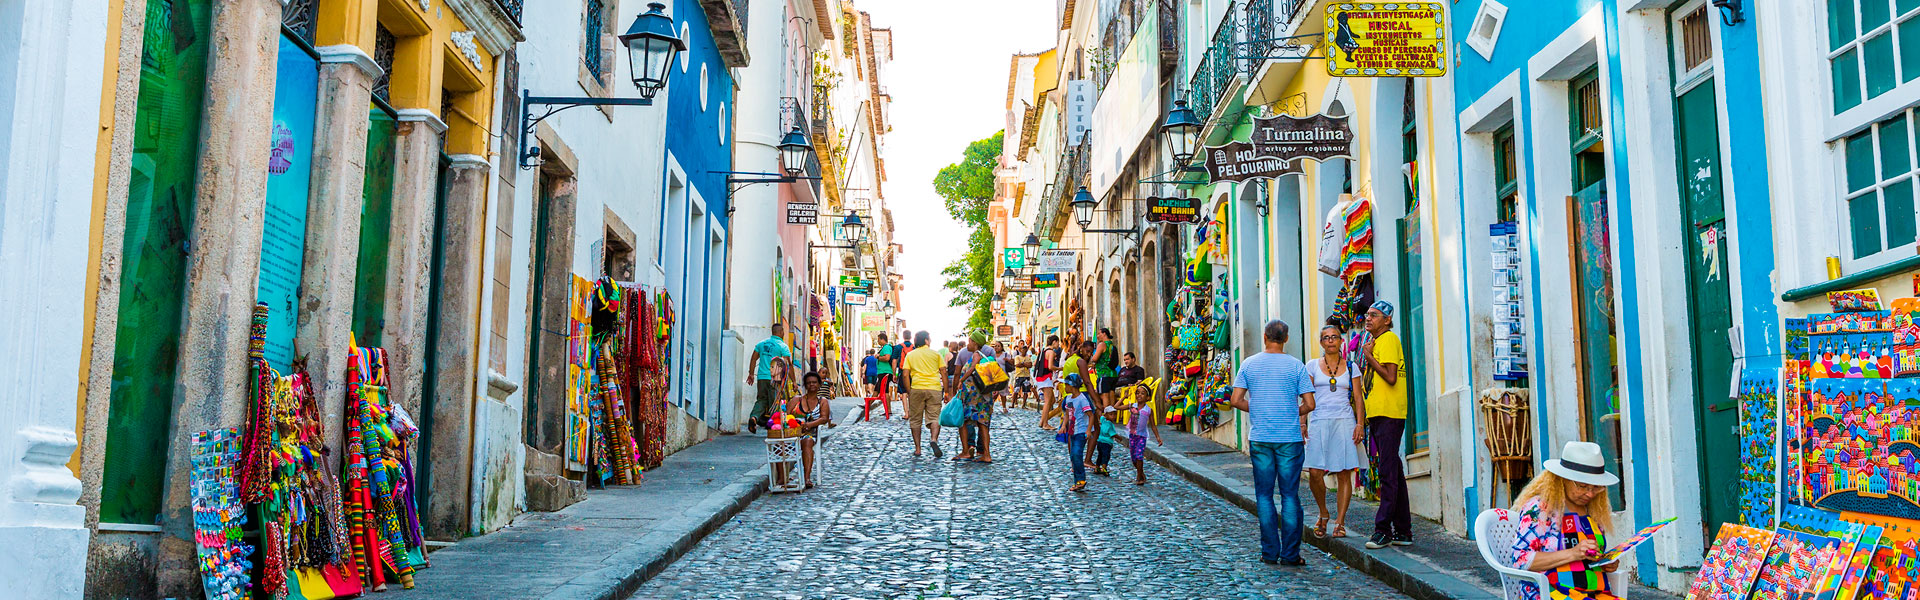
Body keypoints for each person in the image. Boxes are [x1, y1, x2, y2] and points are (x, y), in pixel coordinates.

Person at [1219, 320, 1316, 566]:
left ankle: (1269, 552)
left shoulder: (1249, 364)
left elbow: (1235, 399)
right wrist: (1294, 412)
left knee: (1264, 495)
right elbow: (1310, 404)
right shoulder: (1296, 366)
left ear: (1264, 337)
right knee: (1290, 496)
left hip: (1261, 437)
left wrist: (1259, 408)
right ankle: (1291, 554)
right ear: (1286, 339)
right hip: (1289, 439)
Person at [1509, 442, 1621, 600]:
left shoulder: (1593, 510)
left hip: (1591, 592)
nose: (1590, 494)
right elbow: (1520, 560)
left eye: (1596, 487)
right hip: (1548, 592)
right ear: (1561, 479)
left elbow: (1587, 558)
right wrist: (1573, 553)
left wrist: (1603, 563)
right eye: (1582, 486)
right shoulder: (1540, 508)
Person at [1360, 300, 1413, 550]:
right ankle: (1403, 530)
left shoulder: (1389, 340)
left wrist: (1368, 356)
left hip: (1389, 413)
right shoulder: (1378, 342)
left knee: (1387, 472)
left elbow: (1391, 377)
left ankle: (1383, 530)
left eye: (1374, 315)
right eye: (1367, 315)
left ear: (1387, 320)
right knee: (1394, 470)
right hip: (1379, 413)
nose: (1368, 318)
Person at [1305, 322, 1365, 539]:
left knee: (1344, 472)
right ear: (1321, 343)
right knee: (1314, 472)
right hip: (1319, 421)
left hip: (1344, 421)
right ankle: (1323, 512)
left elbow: (1358, 398)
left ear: (1341, 341)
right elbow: (1305, 396)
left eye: (1335, 337)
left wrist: (1360, 424)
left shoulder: (1352, 367)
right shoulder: (1311, 366)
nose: (1331, 340)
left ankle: (1340, 522)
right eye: (1326, 337)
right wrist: (1303, 422)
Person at [948, 336, 995, 464]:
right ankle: (986, 454)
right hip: (982, 396)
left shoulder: (976, 354)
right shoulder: (981, 355)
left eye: (969, 341)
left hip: (973, 397)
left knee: (962, 421)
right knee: (982, 424)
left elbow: (973, 367)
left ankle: (966, 452)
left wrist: (962, 380)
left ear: (974, 342)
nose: (967, 344)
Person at [902, 331, 947, 458]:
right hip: (934, 388)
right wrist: (947, 391)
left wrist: (909, 390)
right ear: (927, 341)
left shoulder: (910, 355)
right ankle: (933, 439)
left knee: (915, 419)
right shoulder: (936, 354)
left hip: (916, 387)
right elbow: (943, 372)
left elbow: (905, 374)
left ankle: (918, 448)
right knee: (934, 417)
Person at [747, 323, 798, 433]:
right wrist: (794, 381)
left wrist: (751, 374)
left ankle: (754, 417)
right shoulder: (782, 346)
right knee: (776, 402)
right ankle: (774, 428)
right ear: (781, 332)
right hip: (776, 379)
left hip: (761, 378)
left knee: (761, 400)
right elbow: (788, 364)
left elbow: (753, 359)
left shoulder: (761, 344)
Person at [1056, 373, 1097, 493]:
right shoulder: (1068, 399)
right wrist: (1064, 426)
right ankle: (1077, 481)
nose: (1064, 387)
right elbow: (1068, 415)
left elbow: (1090, 415)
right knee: (1073, 456)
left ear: (1072, 386)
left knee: (1076, 454)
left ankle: (1081, 480)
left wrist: (1089, 430)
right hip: (1072, 431)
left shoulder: (1082, 399)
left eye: (1066, 385)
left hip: (1081, 432)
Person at [794, 372, 835, 489]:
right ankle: (781, 479)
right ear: (805, 385)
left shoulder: (823, 401)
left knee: (807, 442)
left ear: (819, 384)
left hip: (810, 433)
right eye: (809, 383)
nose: (812, 385)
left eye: (814, 382)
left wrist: (810, 424)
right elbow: (785, 414)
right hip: (794, 432)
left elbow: (824, 418)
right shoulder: (797, 400)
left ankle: (807, 478)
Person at [1124, 379, 1162, 485]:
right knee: (1133, 458)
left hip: (1142, 436)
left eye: (1142, 393)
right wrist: (1124, 397)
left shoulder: (1149, 410)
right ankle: (1141, 473)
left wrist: (1158, 438)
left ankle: (1139, 477)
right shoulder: (1132, 406)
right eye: (1137, 393)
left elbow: (1153, 426)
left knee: (1139, 455)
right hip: (1132, 435)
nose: (1139, 395)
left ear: (1148, 397)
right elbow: (1117, 407)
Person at [1035, 336, 1063, 429]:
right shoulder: (1050, 352)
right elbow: (1050, 366)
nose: (1058, 345)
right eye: (1058, 342)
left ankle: (1042, 421)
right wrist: (1060, 368)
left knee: (1052, 400)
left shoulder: (1043, 351)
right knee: (1048, 401)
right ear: (1054, 342)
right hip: (1045, 377)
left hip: (1041, 377)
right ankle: (1045, 424)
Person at [1092, 327, 1120, 410]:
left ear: (1104, 334)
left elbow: (1095, 358)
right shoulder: (1112, 345)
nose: (1097, 336)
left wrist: (1092, 358)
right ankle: (1112, 414)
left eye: (1099, 334)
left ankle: (1107, 414)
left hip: (1104, 374)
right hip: (1113, 374)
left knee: (1104, 395)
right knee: (1111, 393)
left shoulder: (1102, 345)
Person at [1008, 342, 1034, 413]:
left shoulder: (1028, 357)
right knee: (1016, 390)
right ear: (1020, 350)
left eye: (1025, 349)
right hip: (1019, 375)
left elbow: (1030, 365)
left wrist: (1022, 364)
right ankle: (1013, 403)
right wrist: (1025, 364)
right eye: (1023, 349)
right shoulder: (1017, 357)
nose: (1024, 351)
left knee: (1026, 391)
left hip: (1026, 376)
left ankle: (1024, 404)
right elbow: (1017, 365)